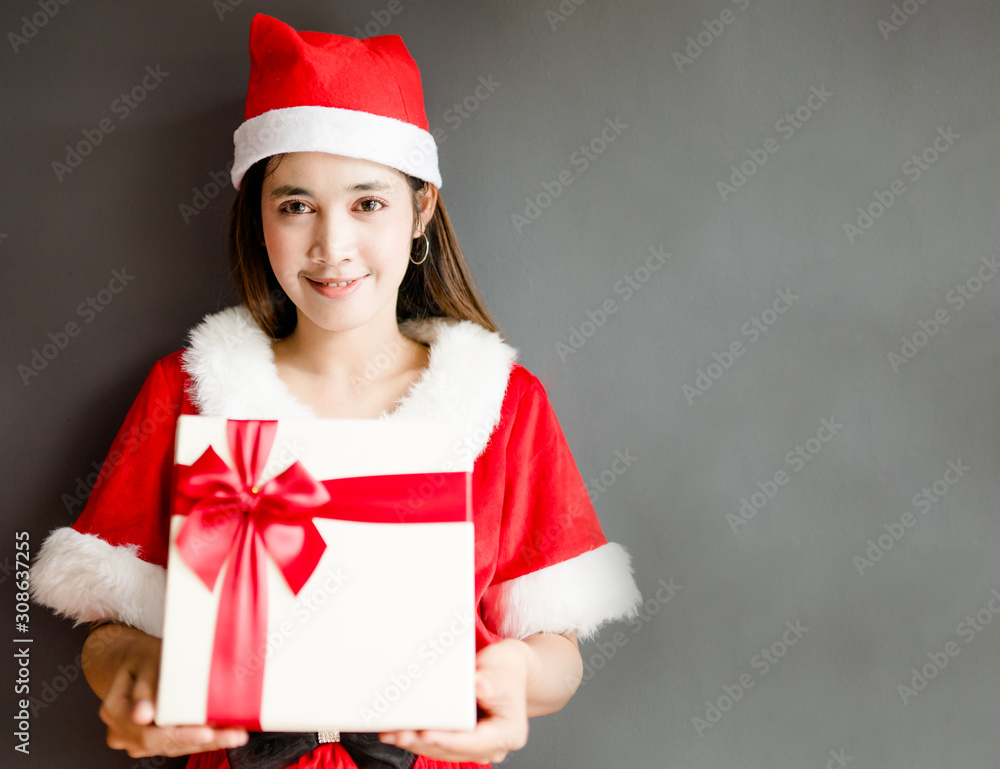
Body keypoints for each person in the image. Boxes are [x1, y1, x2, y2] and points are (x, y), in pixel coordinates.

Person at [30, 13, 642, 769]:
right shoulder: (191, 392)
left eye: (367, 202)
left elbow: (557, 650)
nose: (332, 246)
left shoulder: (501, 406)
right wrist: (137, 671)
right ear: (258, 217)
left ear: (420, 211)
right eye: (295, 205)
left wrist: (516, 674)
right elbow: (108, 632)